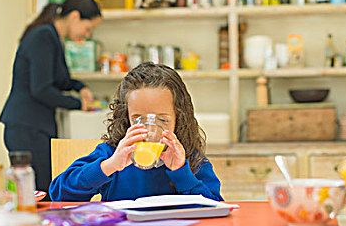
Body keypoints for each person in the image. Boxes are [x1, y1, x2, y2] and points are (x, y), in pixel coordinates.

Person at [49, 62, 223, 202]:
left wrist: (181, 172)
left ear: (179, 118)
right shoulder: (112, 154)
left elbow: (216, 207)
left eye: (162, 120)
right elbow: (59, 194)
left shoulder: (190, 160)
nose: (149, 131)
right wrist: (109, 166)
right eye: (139, 120)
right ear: (126, 118)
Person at [0, 0, 102, 199]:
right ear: (74, 17)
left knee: (40, 191)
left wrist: (80, 87)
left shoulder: (52, 37)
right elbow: (42, 89)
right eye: (88, 28)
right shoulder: (43, 36)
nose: (87, 34)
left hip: (32, 126)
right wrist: (78, 104)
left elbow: (59, 80)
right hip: (27, 127)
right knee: (40, 193)